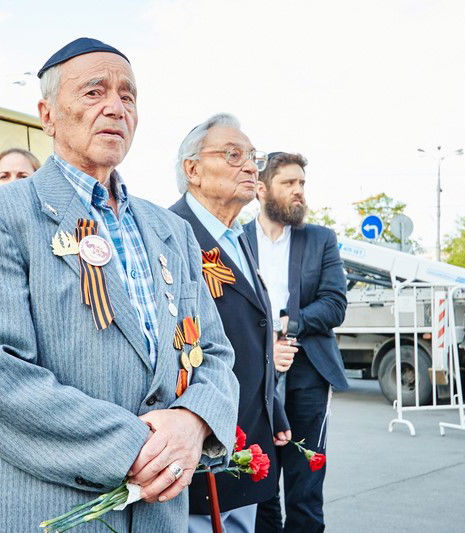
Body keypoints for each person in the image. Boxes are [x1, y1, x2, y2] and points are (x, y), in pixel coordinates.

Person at [0, 38, 239, 532]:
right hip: (49, 512)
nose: (115, 107)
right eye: (93, 92)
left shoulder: (172, 231)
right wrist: (135, 446)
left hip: (158, 514)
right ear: (48, 114)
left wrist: (193, 422)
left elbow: (214, 352)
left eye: (128, 95)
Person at [169, 114, 291, 533]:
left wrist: (274, 412)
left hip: (251, 443)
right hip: (203, 448)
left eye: (252, 157)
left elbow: (252, 333)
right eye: (233, 154)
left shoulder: (238, 237)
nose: (250, 167)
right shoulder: (167, 234)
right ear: (193, 170)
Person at [245, 152, 349, 533]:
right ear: (261, 189)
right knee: (260, 483)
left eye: (302, 183)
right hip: (257, 372)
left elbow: (335, 304)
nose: (298, 191)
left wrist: (288, 323)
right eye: (288, 183)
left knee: (305, 485)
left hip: (308, 369)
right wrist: (266, 337)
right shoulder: (237, 241)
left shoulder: (320, 239)